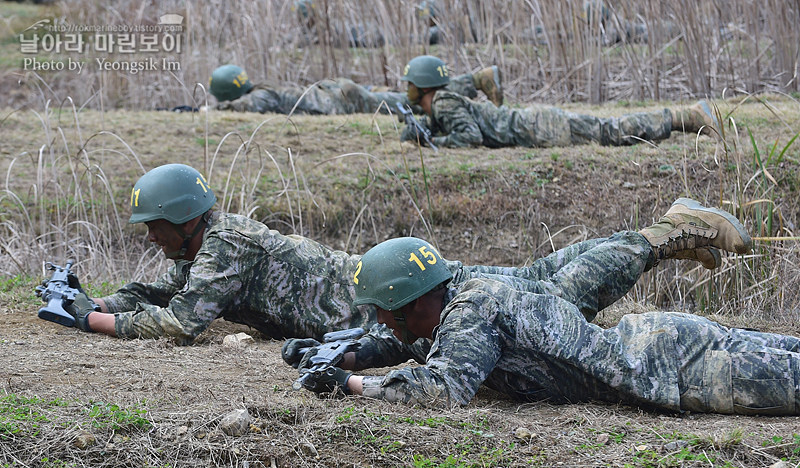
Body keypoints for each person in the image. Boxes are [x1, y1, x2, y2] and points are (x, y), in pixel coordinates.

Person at [56, 164, 747, 346]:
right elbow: (167, 297)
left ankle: (668, 236)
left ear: (181, 221)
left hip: (402, 300)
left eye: (154, 226)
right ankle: (668, 231)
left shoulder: (226, 244)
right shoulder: (206, 244)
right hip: (393, 297)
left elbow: (182, 324)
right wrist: (99, 300)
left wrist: (87, 321)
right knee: (538, 276)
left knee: (552, 293)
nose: (149, 238)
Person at [298, 235, 800, 416]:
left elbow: (444, 387)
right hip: (669, 344)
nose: (381, 321)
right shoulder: (461, 300)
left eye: (382, 311)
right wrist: (348, 354)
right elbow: (428, 345)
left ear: (404, 302)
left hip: (682, 368)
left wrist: (350, 384)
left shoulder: (471, 313)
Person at [398, 55, 719, 149]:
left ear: (422, 84)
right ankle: (684, 118)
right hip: (535, 124)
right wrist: (421, 128)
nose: (407, 89)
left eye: (410, 83)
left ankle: (684, 118)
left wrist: (432, 142)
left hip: (539, 129)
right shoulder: (442, 101)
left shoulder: (443, 102)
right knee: (607, 130)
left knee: (610, 132)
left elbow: (470, 137)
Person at [209, 63, 503, 116]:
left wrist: (209, 110)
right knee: (395, 97)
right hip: (339, 92)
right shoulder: (263, 88)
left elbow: (251, 107)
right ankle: (474, 81)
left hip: (339, 101)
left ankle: (475, 80)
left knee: (408, 100)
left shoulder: (259, 96)